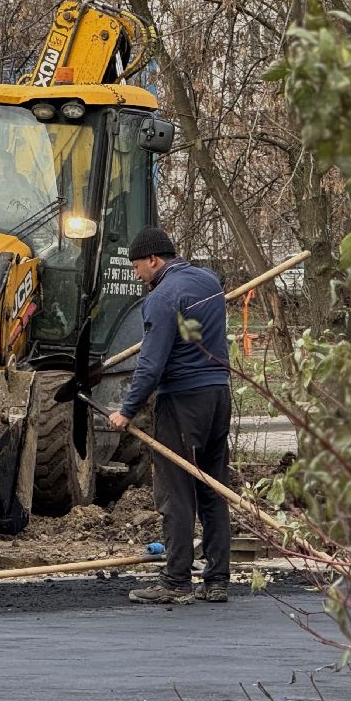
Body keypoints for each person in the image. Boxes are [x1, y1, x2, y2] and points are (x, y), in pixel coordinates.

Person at [107, 228, 232, 605]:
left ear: (154, 260)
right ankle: (217, 580)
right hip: (219, 394)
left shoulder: (162, 297)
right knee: (213, 487)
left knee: (175, 491)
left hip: (182, 400)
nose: (135, 274)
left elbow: (151, 364)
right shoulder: (208, 279)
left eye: (136, 267)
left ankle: (176, 580)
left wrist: (126, 411)